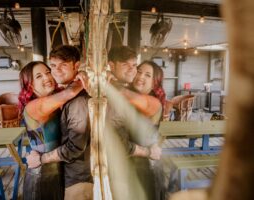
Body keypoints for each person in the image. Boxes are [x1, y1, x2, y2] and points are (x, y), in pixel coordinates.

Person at [26, 45, 93, 200]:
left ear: (76, 65)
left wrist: (80, 75)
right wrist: (79, 78)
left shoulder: (71, 101)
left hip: (72, 177)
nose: (52, 75)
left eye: (47, 72)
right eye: (53, 66)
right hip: (42, 175)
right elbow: (69, 92)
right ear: (29, 84)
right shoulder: (36, 106)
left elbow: (75, 147)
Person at [107, 46, 165, 200]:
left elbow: (123, 93)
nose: (140, 76)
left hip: (147, 167)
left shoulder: (153, 103)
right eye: (139, 71)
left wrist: (108, 80)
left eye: (148, 75)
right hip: (130, 166)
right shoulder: (128, 99)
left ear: (154, 83)